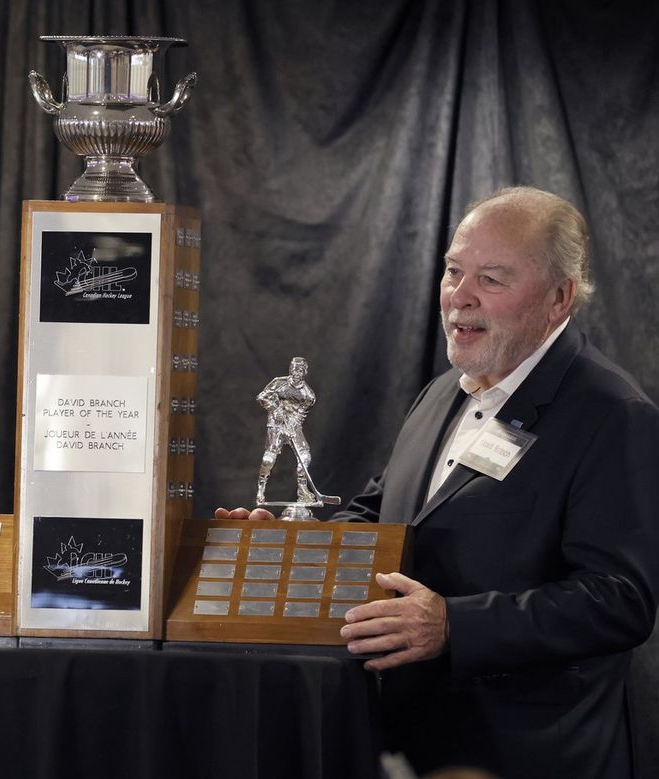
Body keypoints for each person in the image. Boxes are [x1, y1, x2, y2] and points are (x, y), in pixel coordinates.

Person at [219, 187, 659, 777]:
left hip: (528, 755)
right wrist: (294, 547)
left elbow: (620, 600)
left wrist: (454, 624)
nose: (459, 296)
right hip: (410, 740)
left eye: (491, 279)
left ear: (559, 298)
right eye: (454, 271)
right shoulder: (444, 390)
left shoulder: (612, 413)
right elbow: (383, 514)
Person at [254, 357, 317, 505]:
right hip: (275, 426)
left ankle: (302, 490)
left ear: (305, 372)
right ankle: (261, 490)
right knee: (268, 460)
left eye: (300, 370)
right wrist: (274, 409)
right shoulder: (279, 382)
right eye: (294, 369)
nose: (296, 373)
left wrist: (292, 426)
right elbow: (261, 396)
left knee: (305, 457)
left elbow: (301, 415)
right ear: (290, 370)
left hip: (293, 427)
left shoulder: (309, 395)